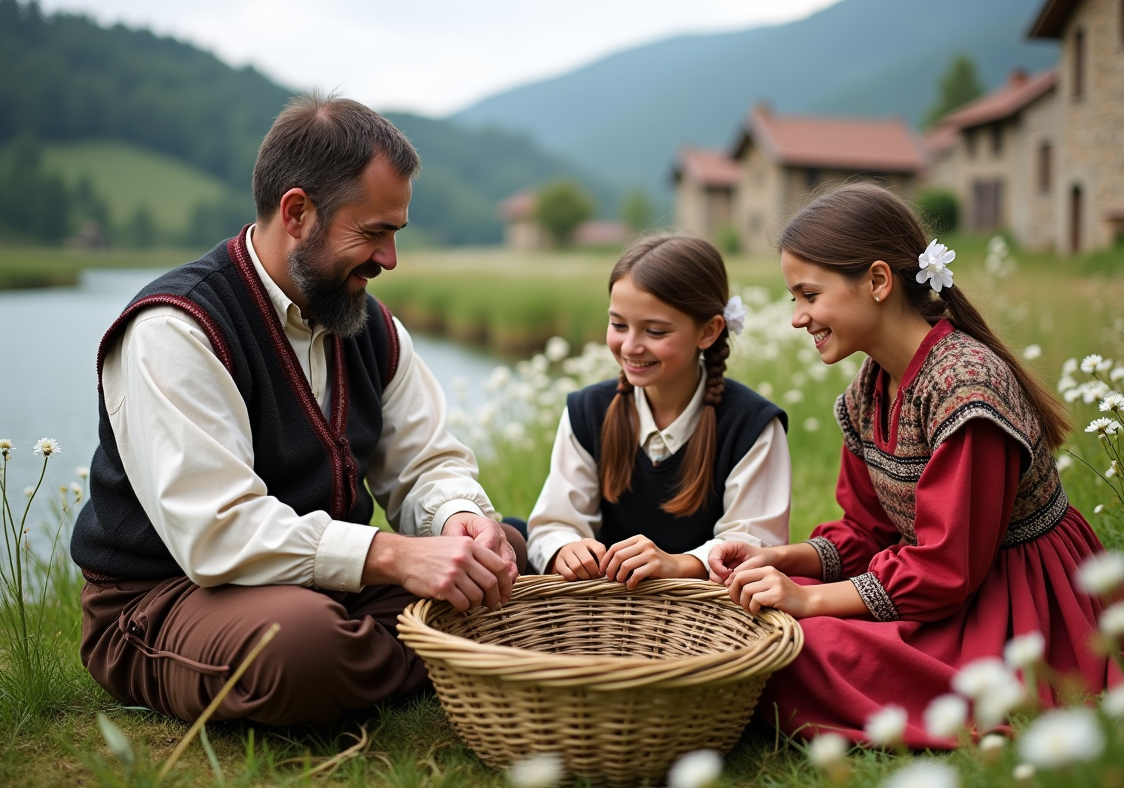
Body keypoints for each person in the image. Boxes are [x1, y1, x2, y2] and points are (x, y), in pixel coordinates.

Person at [69, 94, 526, 726]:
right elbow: (217, 533)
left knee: (505, 552)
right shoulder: (176, 327)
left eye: (395, 234)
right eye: (373, 234)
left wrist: (453, 520)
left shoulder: (370, 325)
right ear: (297, 213)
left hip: (321, 587)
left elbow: (426, 464)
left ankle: (382, 654)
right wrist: (393, 557)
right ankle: (440, 652)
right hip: (167, 598)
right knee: (301, 645)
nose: (389, 260)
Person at [708, 183, 1124, 749]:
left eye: (809, 294)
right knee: (759, 621)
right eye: (794, 299)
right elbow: (866, 531)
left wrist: (808, 600)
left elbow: (947, 570)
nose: (798, 317)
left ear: (879, 282)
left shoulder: (966, 388)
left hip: (1013, 601)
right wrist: (780, 559)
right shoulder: (869, 390)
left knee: (796, 648)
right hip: (934, 584)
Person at [526, 234, 790, 586]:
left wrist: (678, 564)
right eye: (618, 325)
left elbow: (753, 547)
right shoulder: (587, 411)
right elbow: (554, 523)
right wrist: (564, 548)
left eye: (654, 330)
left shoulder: (751, 426)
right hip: (602, 609)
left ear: (709, 331)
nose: (631, 346)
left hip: (700, 619)